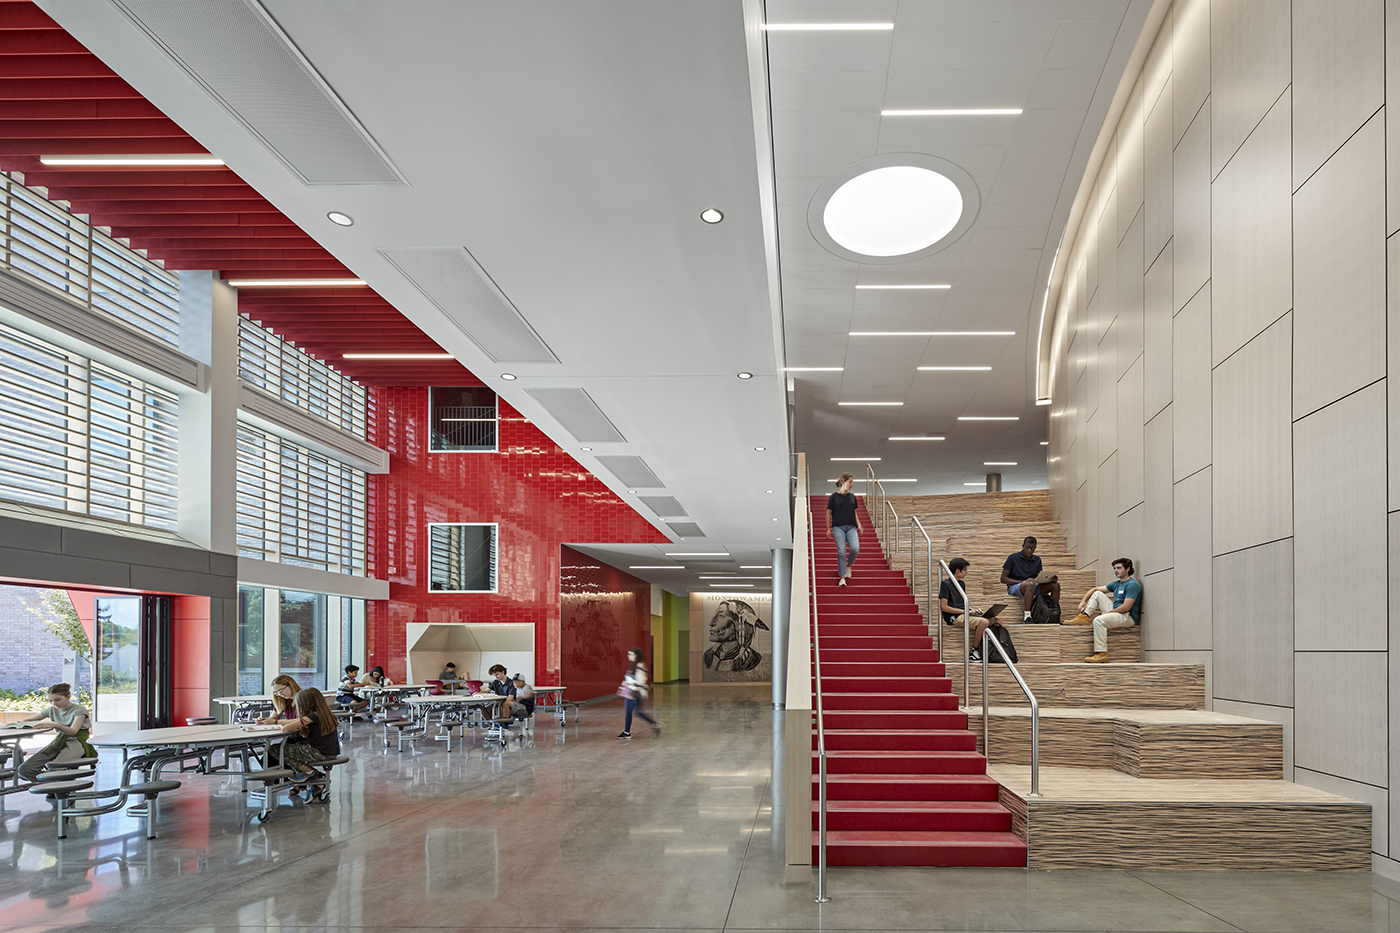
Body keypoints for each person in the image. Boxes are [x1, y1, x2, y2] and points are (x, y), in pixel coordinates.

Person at [15, 683, 93, 781]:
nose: (54, 703)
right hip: (58, 742)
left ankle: (55, 787)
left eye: (57, 700)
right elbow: (29, 720)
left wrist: (56, 725)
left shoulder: (79, 710)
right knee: (24, 770)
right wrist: (19, 723)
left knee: (54, 770)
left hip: (77, 743)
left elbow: (73, 731)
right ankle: (52, 785)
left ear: (68, 697)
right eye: (50, 700)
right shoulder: (52, 709)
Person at [1073, 557, 1142, 663]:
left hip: (1128, 616)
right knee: (1097, 594)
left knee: (1098, 620)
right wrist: (1083, 601)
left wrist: (1108, 613)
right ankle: (1084, 617)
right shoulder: (1117, 584)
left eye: (1119, 568)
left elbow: (1126, 607)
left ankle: (1101, 654)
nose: (1116, 571)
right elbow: (1094, 589)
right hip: (1117, 611)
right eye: (1114, 568)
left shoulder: (1132, 585)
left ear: (1128, 569)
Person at [279, 687, 340, 784]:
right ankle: (311, 775)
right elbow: (298, 722)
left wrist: (275, 722)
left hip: (318, 753)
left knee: (277, 750)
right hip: (331, 753)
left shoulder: (311, 717)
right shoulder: (325, 714)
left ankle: (310, 772)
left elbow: (285, 729)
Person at [939, 558, 995, 661]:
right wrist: (966, 612)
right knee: (984, 622)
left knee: (995, 620)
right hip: (954, 617)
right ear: (957, 571)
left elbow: (960, 603)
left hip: (963, 613)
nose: (966, 572)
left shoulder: (961, 584)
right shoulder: (945, 584)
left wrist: (973, 610)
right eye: (964, 569)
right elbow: (944, 607)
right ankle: (974, 650)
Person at [1000, 536, 1060, 621]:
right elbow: (1003, 579)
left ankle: (1054, 614)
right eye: (1027, 547)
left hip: (1032, 586)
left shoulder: (1037, 559)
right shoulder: (1013, 558)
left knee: (1055, 586)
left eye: (1032, 548)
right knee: (1030, 585)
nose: (1029, 550)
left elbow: (1039, 577)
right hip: (1015, 587)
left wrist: (1050, 579)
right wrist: (1023, 582)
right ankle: (1027, 617)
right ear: (1023, 546)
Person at [826, 473, 862, 586]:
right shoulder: (833, 497)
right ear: (843, 482)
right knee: (841, 552)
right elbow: (828, 513)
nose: (852, 484)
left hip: (851, 526)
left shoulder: (852, 497)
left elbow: (854, 512)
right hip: (838, 527)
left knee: (855, 548)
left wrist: (859, 524)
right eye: (850, 482)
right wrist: (828, 528)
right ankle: (842, 578)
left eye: (852, 482)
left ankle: (848, 565)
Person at [617, 648, 661, 738]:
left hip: (634, 692)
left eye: (631, 654)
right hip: (630, 691)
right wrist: (622, 687)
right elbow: (628, 678)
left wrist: (633, 691)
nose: (629, 656)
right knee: (633, 712)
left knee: (634, 712)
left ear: (636, 655)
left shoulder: (641, 665)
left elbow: (641, 680)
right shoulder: (633, 665)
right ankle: (627, 732)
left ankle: (654, 724)